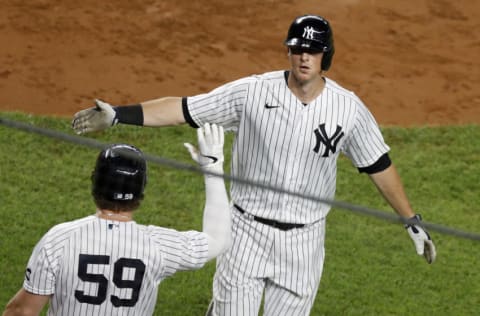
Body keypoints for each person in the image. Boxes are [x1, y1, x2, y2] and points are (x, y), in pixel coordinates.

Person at [71, 14, 436, 316]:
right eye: (297, 49)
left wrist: (410, 219)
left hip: (305, 243)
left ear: (327, 55)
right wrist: (119, 114)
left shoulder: (349, 109)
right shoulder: (252, 93)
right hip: (246, 232)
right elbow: (184, 109)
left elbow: (377, 162)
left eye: (312, 50)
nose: (303, 57)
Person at [3, 123, 230, 316]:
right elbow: (218, 239)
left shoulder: (59, 239)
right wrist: (212, 167)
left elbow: (21, 311)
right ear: (141, 194)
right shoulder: (159, 246)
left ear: (95, 185)